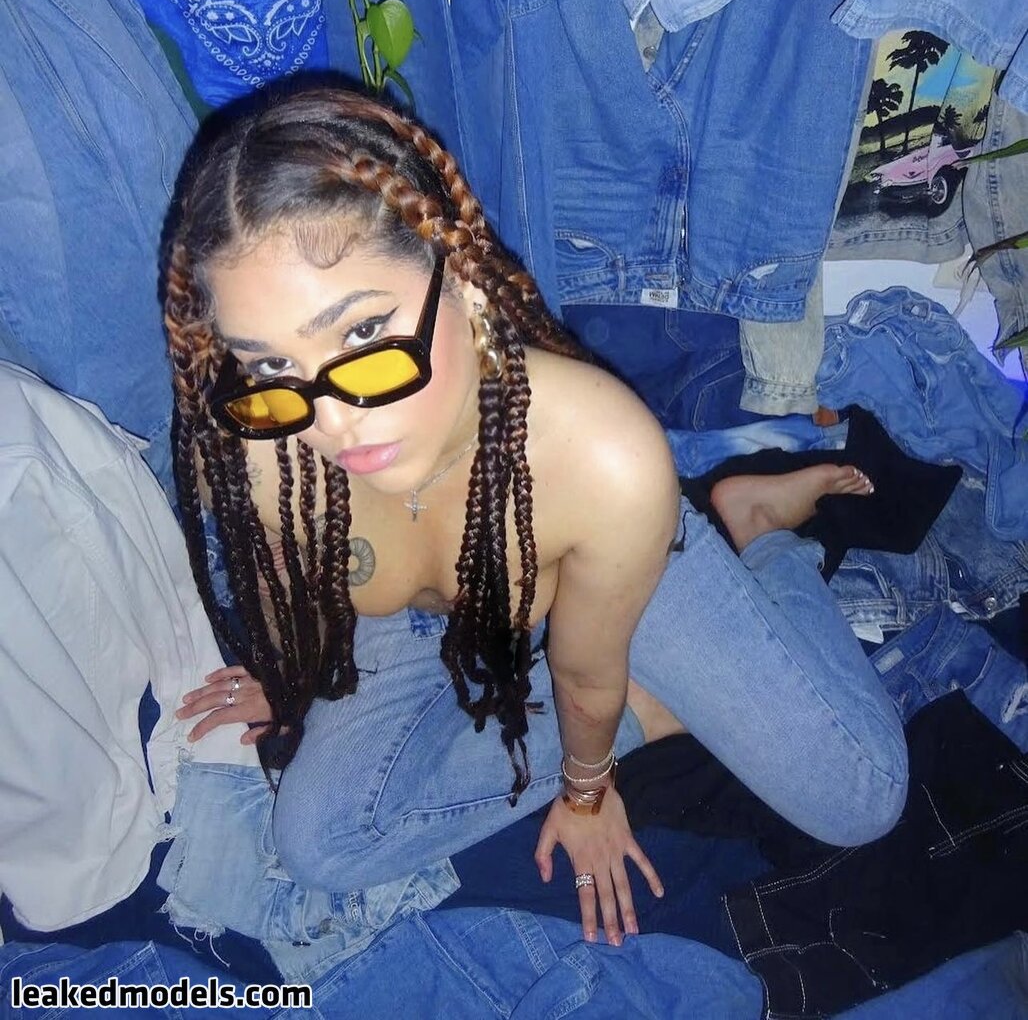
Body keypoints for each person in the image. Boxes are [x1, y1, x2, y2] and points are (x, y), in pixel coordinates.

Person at [169, 87, 907, 950]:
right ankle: (656, 710)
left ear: (460, 279)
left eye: (363, 335)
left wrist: (586, 790)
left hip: (601, 568)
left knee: (862, 800)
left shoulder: (604, 458)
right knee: (317, 844)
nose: (332, 423)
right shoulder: (266, 437)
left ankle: (763, 532)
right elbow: (292, 581)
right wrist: (294, 671)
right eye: (270, 366)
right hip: (422, 618)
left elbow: (587, 677)